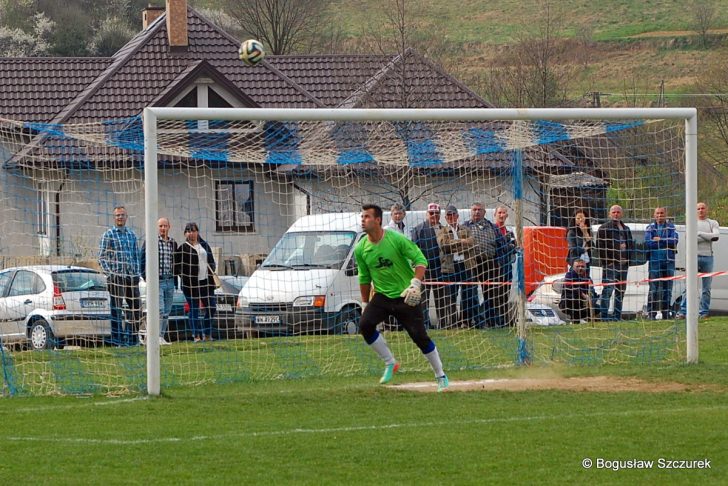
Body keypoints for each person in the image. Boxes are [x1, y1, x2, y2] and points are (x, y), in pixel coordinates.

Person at [355, 204, 448, 392]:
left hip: (406, 296)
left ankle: (441, 375)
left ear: (378, 220)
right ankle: (390, 362)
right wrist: (365, 303)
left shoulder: (396, 239)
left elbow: (421, 260)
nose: (362, 220)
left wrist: (415, 283)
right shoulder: (361, 248)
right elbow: (364, 278)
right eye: (362, 217)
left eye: (366, 217)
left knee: (419, 337)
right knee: (365, 325)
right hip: (382, 296)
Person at [98, 206, 142, 346]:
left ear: (126, 217)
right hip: (116, 278)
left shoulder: (132, 235)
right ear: (114, 217)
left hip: (131, 277)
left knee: (136, 308)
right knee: (116, 310)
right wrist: (111, 274)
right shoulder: (108, 235)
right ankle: (117, 341)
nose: (120, 218)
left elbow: (136, 256)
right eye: (117, 215)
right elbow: (102, 258)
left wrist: (136, 273)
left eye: (122, 215)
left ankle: (133, 338)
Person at [463, 202, 508, 328]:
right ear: (471, 211)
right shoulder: (464, 227)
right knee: (470, 293)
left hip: (489, 263)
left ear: (484, 212)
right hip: (471, 263)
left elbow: (502, 245)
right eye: (474, 209)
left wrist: (499, 261)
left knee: (490, 293)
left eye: (480, 210)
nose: (477, 212)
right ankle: (469, 321)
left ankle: (491, 321)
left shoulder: (492, 227)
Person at [174, 222, 217, 342]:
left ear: (197, 232)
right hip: (190, 285)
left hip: (206, 283)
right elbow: (177, 266)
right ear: (185, 234)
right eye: (188, 231)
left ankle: (207, 334)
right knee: (194, 308)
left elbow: (211, 261)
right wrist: (184, 276)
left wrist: (211, 269)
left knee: (211, 307)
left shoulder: (204, 245)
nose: (191, 233)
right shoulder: (183, 248)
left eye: (193, 231)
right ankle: (196, 335)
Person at [437, 206, 478, 328]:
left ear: (457, 216)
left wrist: (455, 244)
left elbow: (472, 243)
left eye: (453, 215)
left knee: (467, 294)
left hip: (465, 266)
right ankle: (453, 322)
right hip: (450, 267)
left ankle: (464, 321)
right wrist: (461, 242)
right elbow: (444, 245)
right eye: (448, 216)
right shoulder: (442, 230)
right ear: (445, 218)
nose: (451, 217)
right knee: (451, 296)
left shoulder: (465, 229)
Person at [678, 202, 720, 318]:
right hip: (693, 257)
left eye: (702, 208)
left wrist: (700, 233)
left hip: (708, 258)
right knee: (689, 286)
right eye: (698, 209)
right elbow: (690, 239)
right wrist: (708, 236)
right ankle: (683, 311)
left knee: (706, 288)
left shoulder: (713, 223)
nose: (701, 210)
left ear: (707, 209)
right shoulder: (691, 222)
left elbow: (716, 236)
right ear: (695, 210)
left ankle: (704, 312)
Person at [140, 217, 178, 345]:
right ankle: (154, 336)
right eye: (160, 226)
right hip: (157, 281)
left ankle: (161, 336)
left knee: (167, 310)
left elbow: (176, 262)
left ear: (169, 227)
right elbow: (142, 259)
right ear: (157, 227)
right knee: (159, 310)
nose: (163, 228)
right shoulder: (151, 241)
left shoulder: (173, 243)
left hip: (170, 280)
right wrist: (146, 277)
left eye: (165, 226)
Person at [411, 203, 448, 328]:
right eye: (431, 213)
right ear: (427, 214)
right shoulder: (418, 229)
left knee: (441, 299)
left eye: (437, 213)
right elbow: (413, 249)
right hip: (424, 271)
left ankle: (442, 324)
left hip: (440, 270)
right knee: (423, 300)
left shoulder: (444, 229)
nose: (434, 216)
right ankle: (424, 324)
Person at [597, 205, 634, 321]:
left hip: (624, 265)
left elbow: (631, 245)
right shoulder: (604, 228)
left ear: (621, 214)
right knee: (607, 291)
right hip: (611, 266)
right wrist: (608, 262)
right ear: (609, 214)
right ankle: (604, 317)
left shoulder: (626, 229)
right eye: (613, 212)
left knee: (620, 292)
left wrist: (629, 259)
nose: (616, 214)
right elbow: (600, 247)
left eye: (618, 212)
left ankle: (617, 316)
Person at [645, 207, 678, 319]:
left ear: (666, 214)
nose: (660, 215)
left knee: (667, 289)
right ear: (654, 215)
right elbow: (649, 243)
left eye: (662, 213)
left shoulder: (671, 227)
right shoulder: (650, 228)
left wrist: (660, 240)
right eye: (657, 213)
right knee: (653, 289)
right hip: (654, 262)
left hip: (668, 261)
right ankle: (651, 313)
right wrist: (666, 242)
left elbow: (674, 241)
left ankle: (666, 313)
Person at [494, 206, 517, 326]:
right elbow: (498, 247)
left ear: (507, 216)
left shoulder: (509, 231)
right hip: (496, 267)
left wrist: (510, 247)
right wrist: (508, 247)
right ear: (495, 214)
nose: (501, 215)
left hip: (507, 267)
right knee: (495, 295)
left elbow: (514, 247)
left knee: (505, 294)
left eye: (504, 213)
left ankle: (504, 320)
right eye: (499, 213)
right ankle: (495, 320)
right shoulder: (493, 230)